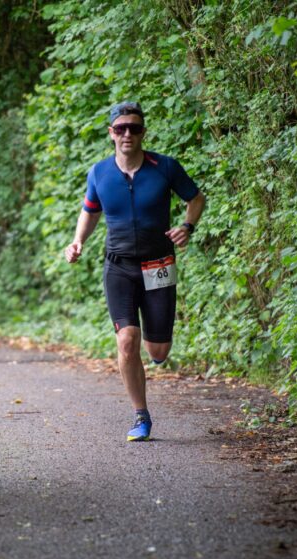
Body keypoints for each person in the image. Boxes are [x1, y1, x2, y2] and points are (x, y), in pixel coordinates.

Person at [64, 102, 206, 442]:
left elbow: (197, 199)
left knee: (158, 351)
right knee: (127, 341)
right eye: (121, 128)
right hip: (119, 266)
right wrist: (77, 241)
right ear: (111, 133)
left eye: (135, 128)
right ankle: (141, 415)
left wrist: (188, 225)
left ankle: (154, 353)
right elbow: (90, 210)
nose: (128, 134)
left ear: (143, 132)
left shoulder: (165, 167)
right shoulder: (99, 173)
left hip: (158, 265)